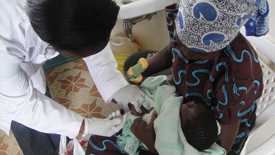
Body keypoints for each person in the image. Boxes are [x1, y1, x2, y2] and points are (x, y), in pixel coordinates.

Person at [0, 0, 150, 154]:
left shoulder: (68, 14)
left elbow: (88, 28)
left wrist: (116, 86)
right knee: (29, 126)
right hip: (7, 90)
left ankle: (59, 142)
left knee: (50, 114)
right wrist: (84, 126)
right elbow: (22, 105)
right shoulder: (6, 40)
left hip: (24, 57)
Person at [124, 0, 269, 154]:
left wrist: (154, 144)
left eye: (197, 53)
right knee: (132, 65)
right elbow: (171, 50)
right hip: (186, 97)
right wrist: (144, 68)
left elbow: (221, 148)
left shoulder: (238, 75)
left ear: (220, 46)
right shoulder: (189, 26)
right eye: (183, 43)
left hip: (205, 129)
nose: (185, 53)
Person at [85, 78, 224, 155]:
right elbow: (159, 105)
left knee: (98, 142)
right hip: (139, 132)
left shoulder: (170, 137)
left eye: (190, 107)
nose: (191, 102)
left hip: (139, 141)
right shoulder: (173, 111)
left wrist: (149, 140)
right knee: (100, 137)